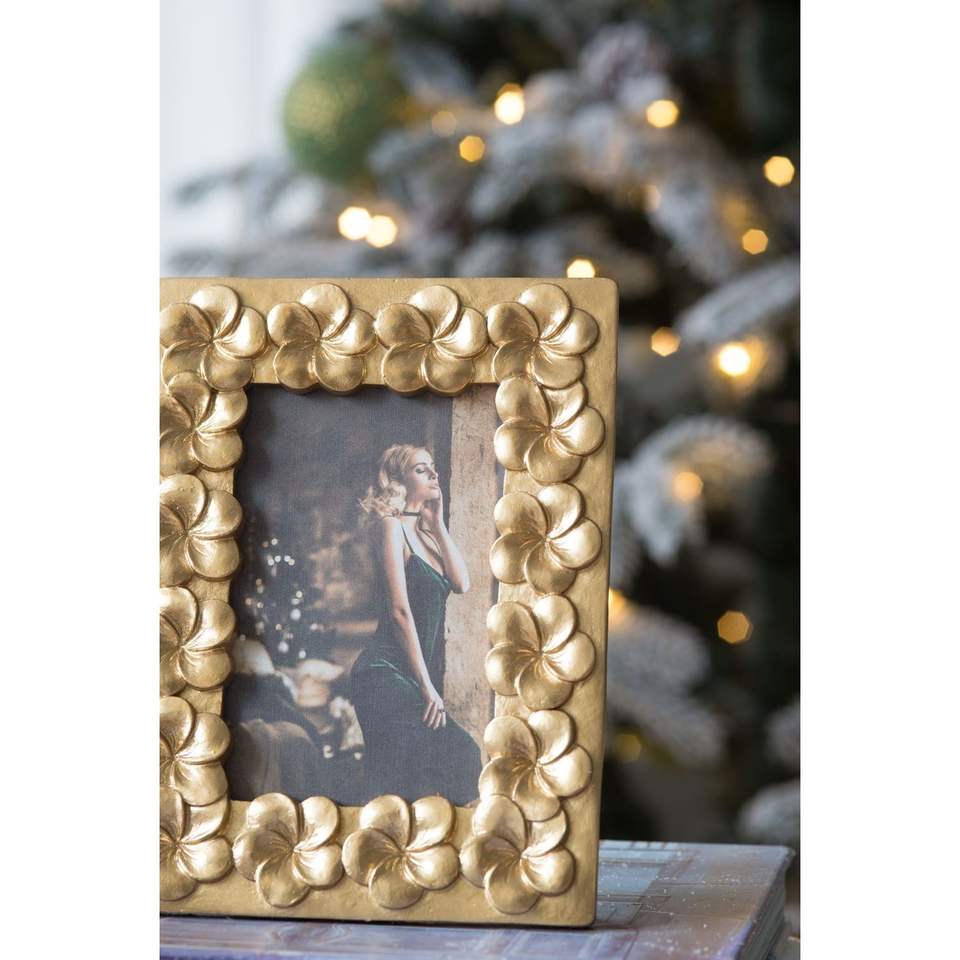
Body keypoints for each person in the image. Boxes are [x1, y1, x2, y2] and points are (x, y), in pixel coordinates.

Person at [352, 443, 481, 804]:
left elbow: (461, 583)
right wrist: (427, 686)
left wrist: (437, 525)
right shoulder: (390, 528)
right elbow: (399, 612)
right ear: (398, 480)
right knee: (462, 754)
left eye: (432, 466)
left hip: (406, 674)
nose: (434, 474)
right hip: (381, 672)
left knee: (413, 783)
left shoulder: (425, 534)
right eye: (421, 469)